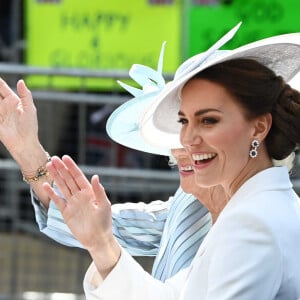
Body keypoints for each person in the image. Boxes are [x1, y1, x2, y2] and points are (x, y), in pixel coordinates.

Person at [37, 23, 300, 299]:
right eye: (184, 121)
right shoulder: (260, 207)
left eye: (209, 120)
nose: (187, 139)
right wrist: (100, 244)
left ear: (258, 128)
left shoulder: (251, 221)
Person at [0, 43, 224, 282]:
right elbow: (102, 225)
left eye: (208, 122)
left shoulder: (261, 211)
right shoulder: (188, 205)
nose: (183, 144)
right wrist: (27, 150)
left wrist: (103, 248)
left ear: (257, 129)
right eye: (179, 124)